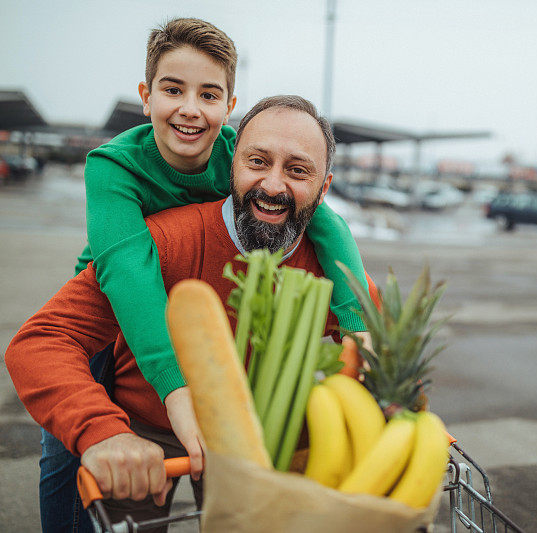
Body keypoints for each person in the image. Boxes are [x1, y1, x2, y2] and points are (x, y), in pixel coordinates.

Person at [38, 18, 371, 532]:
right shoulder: (114, 169)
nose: (190, 109)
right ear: (146, 95)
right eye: (173, 90)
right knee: (68, 460)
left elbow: (325, 222)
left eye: (208, 94)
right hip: (118, 302)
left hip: (236, 427)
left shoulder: (237, 154)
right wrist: (133, 413)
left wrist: (357, 319)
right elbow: (129, 273)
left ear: (228, 109)